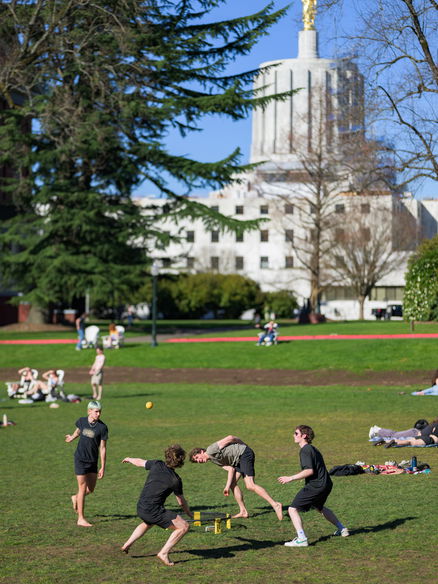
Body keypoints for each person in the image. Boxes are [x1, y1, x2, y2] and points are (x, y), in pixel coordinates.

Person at [121, 445, 192, 567]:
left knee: (149, 522)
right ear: (180, 461)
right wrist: (189, 513)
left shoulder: (157, 464)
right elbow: (181, 501)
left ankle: (127, 544)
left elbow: (140, 462)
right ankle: (163, 553)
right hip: (153, 510)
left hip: (141, 507)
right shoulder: (176, 480)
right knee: (184, 526)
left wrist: (129, 458)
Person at [278, 425, 349, 547]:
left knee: (292, 509)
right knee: (319, 506)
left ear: (304, 436)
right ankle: (342, 529)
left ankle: (301, 538)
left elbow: (309, 470)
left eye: (296, 433)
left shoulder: (305, 450)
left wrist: (290, 478)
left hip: (316, 486)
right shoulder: (313, 449)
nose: (293, 435)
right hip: (326, 484)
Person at [189, 435, 283, 520]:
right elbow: (231, 469)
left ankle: (275, 505)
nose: (198, 461)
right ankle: (243, 512)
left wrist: (243, 444)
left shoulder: (211, 449)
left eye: (197, 457)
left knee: (250, 485)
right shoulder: (214, 460)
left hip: (244, 454)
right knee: (232, 484)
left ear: (201, 451)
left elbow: (230, 438)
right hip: (237, 461)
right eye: (196, 461)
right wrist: (227, 487)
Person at [65, 400, 108, 527]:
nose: (98, 414)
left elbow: (103, 448)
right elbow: (78, 431)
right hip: (80, 459)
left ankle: (76, 497)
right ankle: (81, 519)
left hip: (92, 461)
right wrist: (72, 437)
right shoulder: (82, 421)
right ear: (89, 411)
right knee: (82, 488)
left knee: (90, 489)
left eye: (100, 411)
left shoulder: (102, 427)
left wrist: (103, 467)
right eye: (96, 411)